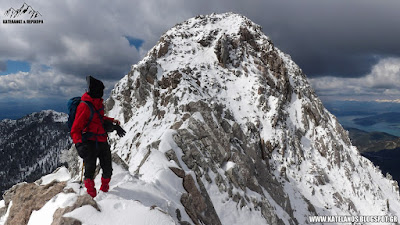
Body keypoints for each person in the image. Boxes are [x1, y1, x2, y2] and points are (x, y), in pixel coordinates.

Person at [71, 76, 120, 198]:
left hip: (102, 140)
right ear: (95, 90)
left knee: (107, 169)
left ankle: (104, 191)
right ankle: (91, 195)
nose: (102, 93)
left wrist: (112, 121)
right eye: (101, 90)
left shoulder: (98, 103)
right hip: (90, 143)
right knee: (89, 171)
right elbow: (75, 129)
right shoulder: (84, 106)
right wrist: (79, 145)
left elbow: (98, 118)